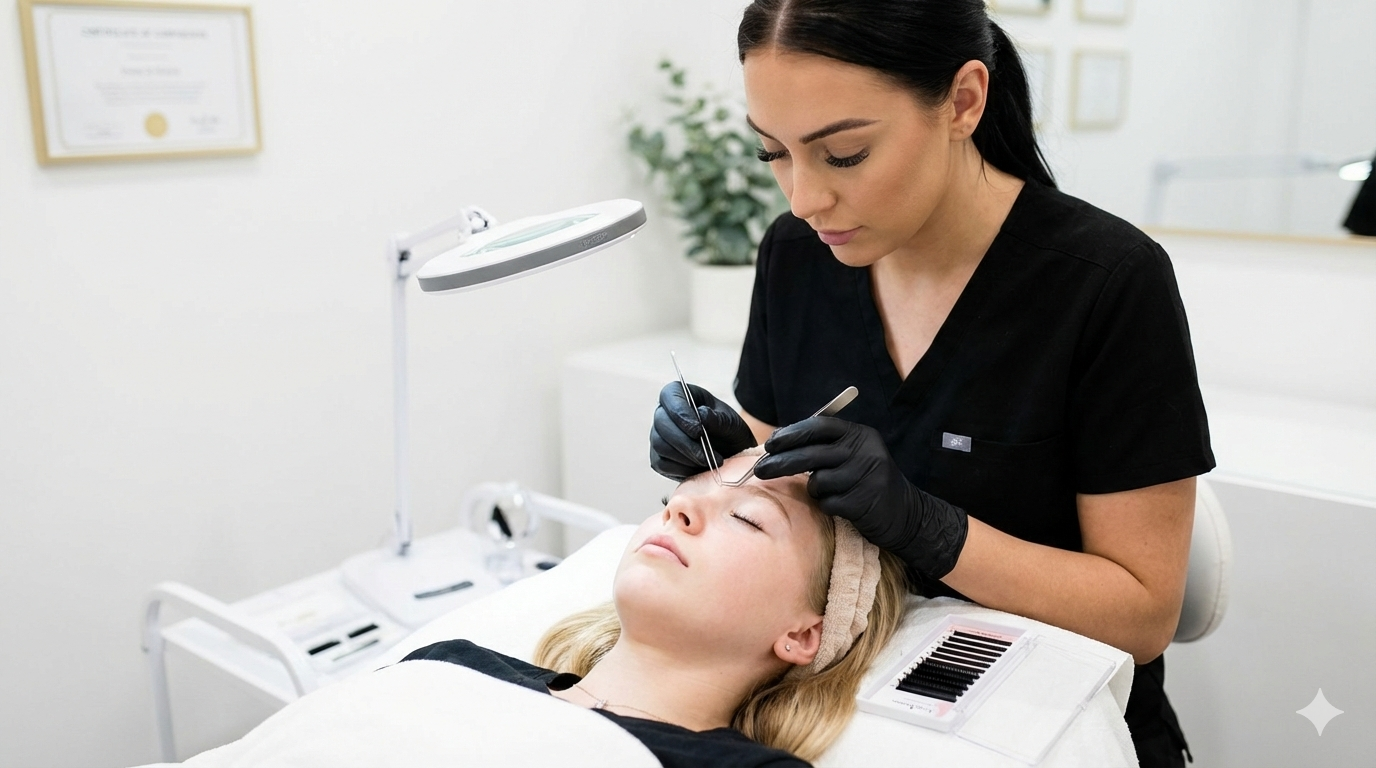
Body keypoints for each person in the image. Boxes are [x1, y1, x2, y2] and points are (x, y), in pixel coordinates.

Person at [648, 2, 1214, 765]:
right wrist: (724, 456)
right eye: (772, 152)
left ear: (963, 102)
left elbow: (1142, 616)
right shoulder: (797, 254)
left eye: (844, 154)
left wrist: (929, 528)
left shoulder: (1105, 283)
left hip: (1045, 721)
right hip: (840, 702)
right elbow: (778, 472)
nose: (803, 198)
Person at [407, 450, 908, 767]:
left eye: (746, 517)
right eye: (675, 496)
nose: (677, 510)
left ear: (801, 635)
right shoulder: (450, 665)